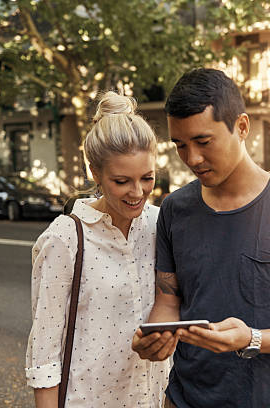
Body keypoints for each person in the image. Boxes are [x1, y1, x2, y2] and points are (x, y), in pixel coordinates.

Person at [132, 68, 270, 407]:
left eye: (203, 142)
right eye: (180, 146)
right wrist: (156, 336)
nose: (192, 159)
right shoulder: (174, 209)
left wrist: (252, 339)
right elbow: (168, 302)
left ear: (242, 127)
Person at [26, 92, 169, 407]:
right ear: (95, 173)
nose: (137, 192)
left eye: (147, 178)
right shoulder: (65, 238)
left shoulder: (162, 224)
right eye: (121, 181)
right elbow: (45, 356)